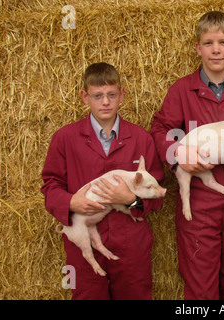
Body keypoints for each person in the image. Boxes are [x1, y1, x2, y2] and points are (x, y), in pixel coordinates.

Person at [150, 11, 224, 300]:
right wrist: (178, 153)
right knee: (200, 289)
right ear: (198, 48)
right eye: (208, 42)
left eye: (223, 42)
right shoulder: (182, 90)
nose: (216, 49)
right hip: (200, 207)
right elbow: (159, 129)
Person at [41, 62, 164, 299]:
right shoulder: (65, 138)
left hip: (131, 243)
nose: (105, 102)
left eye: (111, 95)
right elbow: (50, 185)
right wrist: (70, 203)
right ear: (85, 97)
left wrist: (131, 199)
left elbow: (157, 192)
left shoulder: (141, 139)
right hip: (84, 240)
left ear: (122, 95)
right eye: (97, 96)